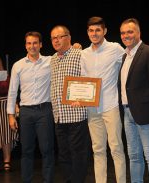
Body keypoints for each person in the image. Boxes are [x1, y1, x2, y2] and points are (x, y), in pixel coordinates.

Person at [118, 18, 149, 183]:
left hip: (146, 115)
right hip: (127, 112)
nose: (126, 35)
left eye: (130, 32)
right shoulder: (125, 56)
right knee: (134, 156)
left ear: (139, 33)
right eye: (123, 33)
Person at [79, 16, 126, 183]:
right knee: (98, 150)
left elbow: (129, 62)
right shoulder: (83, 54)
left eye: (97, 30)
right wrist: (80, 97)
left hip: (111, 105)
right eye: (91, 30)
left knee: (116, 148)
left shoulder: (115, 48)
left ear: (104, 31)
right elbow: (83, 80)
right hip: (92, 108)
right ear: (87, 32)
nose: (94, 33)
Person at [7, 31, 55, 183]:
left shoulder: (50, 61)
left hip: (44, 111)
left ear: (40, 45)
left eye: (35, 43)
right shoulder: (18, 65)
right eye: (29, 43)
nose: (32, 46)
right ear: (25, 45)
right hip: (26, 112)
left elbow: (65, 55)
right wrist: (10, 115)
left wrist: (75, 46)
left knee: (47, 150)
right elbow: (12, 91)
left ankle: (47, 180)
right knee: (27, 151)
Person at [50, 25, 91, 183]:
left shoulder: (80, 54)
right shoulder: (52, 59)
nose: (57, 40)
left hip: (76, 115)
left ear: (69, 37)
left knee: (78, 153)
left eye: (60, 37)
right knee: (64, 154)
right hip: (59, 116)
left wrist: (84, 99)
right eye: (54, 38)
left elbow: (90, 79)